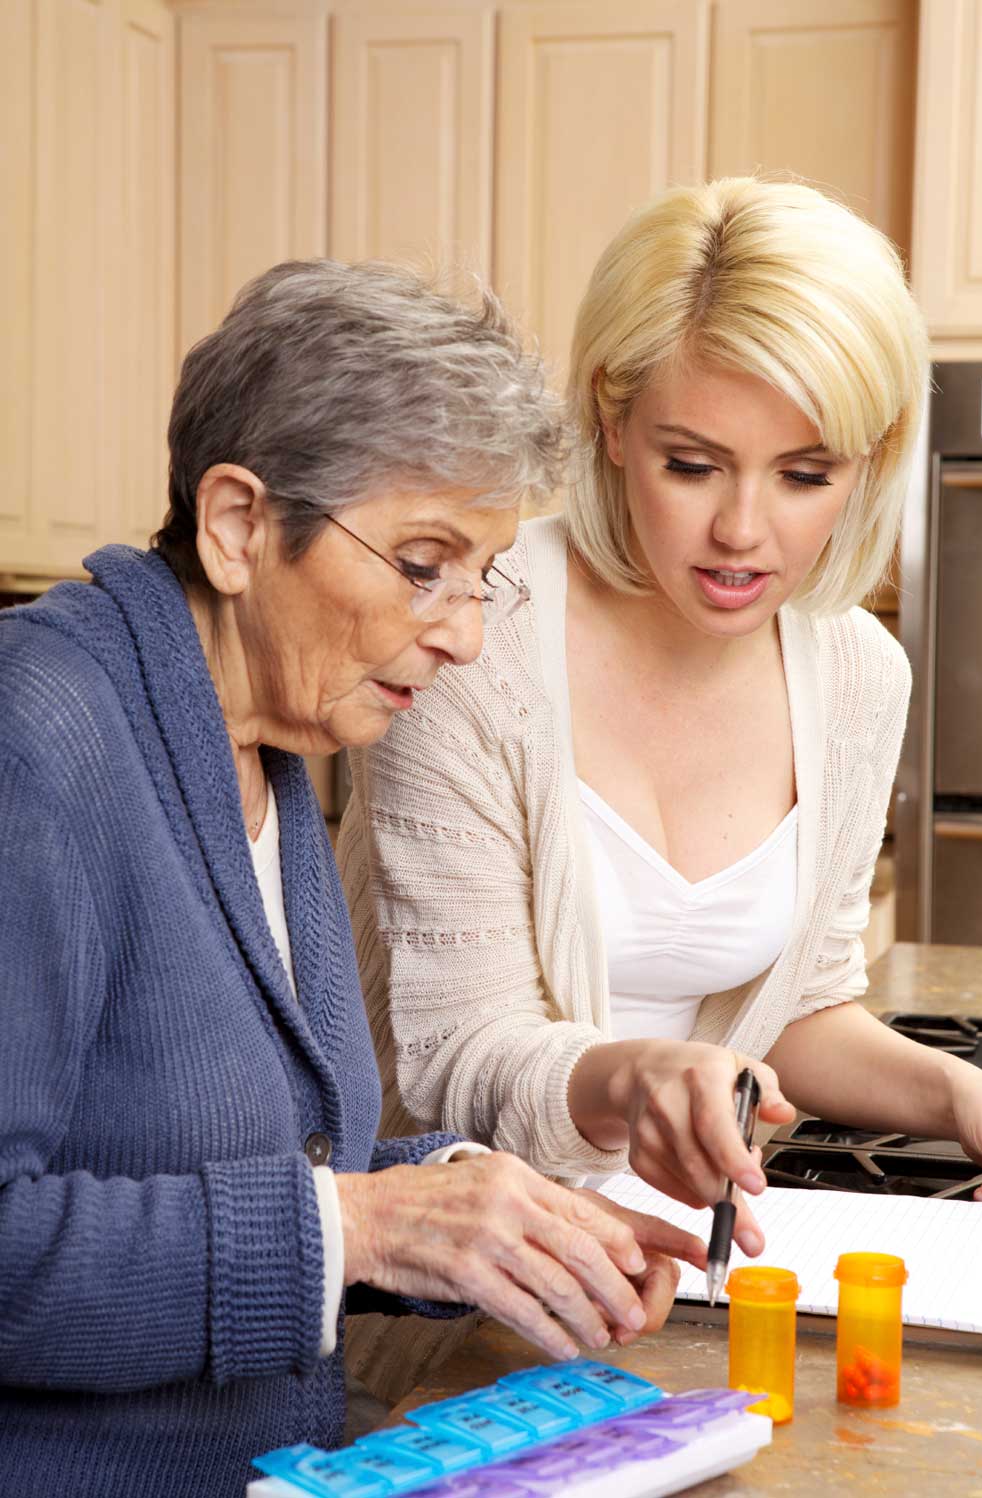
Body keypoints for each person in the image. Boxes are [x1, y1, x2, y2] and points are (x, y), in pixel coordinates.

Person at [0, 261, 704, 1498]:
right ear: (236, 527)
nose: (464, 631)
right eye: (422, 562)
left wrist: (480, 1212)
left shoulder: (273, 736)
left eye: (481, 574)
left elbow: (254, 1161)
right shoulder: (39, 738)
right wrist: (360, 1227)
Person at [339, 178, 982, 1260]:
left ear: (868, 461)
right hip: (436, 1277)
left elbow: (800, 1010)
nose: (742, 532)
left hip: (667, 1267)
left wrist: (962, 1096)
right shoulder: (473, 635)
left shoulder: (857, 677)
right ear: (609, 415)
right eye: (690, 465)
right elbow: (455, 1055)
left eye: (804, 473)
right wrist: (635, 1076)